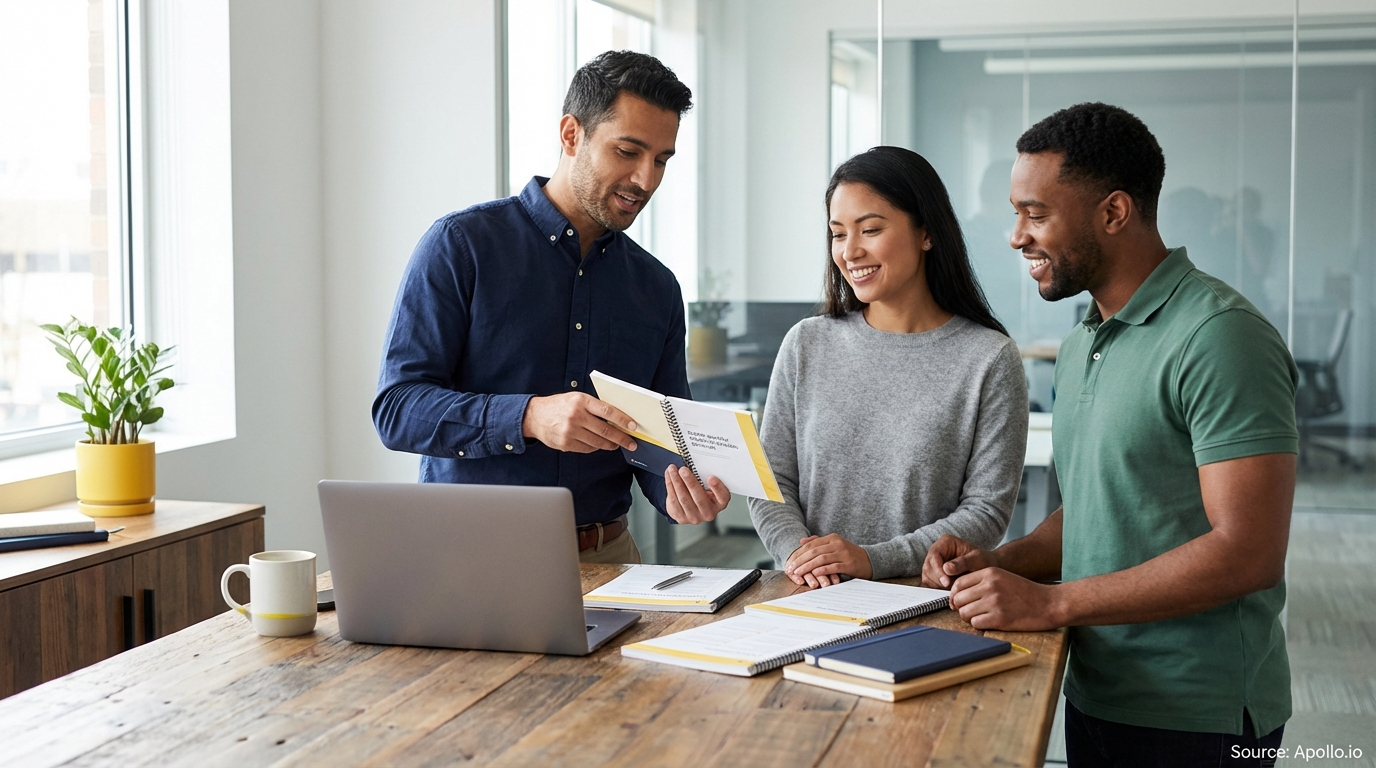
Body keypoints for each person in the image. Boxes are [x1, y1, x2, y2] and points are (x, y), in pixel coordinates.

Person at [924, 103, 1296, 767]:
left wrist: (1051, 603)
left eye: (1036, 214)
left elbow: (1249, 552)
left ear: (1114, 213)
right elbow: (1106, 507)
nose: (1015, 237)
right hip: (1096, 687)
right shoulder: (1082, 342)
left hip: (1199, 715)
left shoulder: (1220, 338)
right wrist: (1000, 566)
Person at [372, 51, 730, 565]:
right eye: (627, 151)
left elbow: (656, 443)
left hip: (609, 559)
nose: (646, 180)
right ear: (571, 134)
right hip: (470, 557)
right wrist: (529, 416)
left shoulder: (656, 287)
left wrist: (682, 490)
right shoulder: (462, 245)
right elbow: (397, 410)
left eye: (661, 160)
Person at [748, 146, 1028, 588]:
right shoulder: (807, 342)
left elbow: (986, 512)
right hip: (810, 595)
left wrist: (873, 559)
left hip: (929, 602)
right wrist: (802, 556)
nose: (850, 251)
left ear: (927, 233)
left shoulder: (990, 359)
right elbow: (771, 480)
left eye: (871, 229)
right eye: (838, 234)